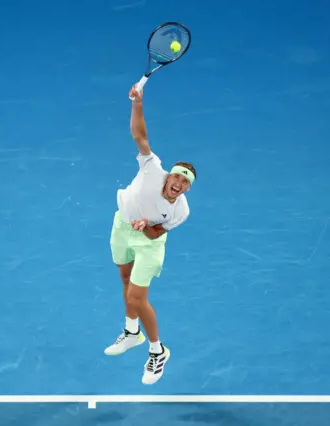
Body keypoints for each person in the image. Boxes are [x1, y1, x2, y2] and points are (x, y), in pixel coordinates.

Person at [104, 84, 197, 385]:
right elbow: (139, 136)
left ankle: (158, 351)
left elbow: (159, 233)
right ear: (168, 175)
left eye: (185, 183)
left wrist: (148, 227)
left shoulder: (181, 211)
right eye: (177, 177)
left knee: (137, 295)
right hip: (122, 225)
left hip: (149, 244)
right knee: (123, 278)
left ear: (187, 189)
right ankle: (132, 332)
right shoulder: (151, 167)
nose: (179, 184)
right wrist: (137, 104)